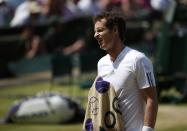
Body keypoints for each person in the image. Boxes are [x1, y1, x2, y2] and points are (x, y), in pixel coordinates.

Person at [83, 11, 158, 131]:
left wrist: (147, 130)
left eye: (100, 30)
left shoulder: (138, 60)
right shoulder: (101, 63)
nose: (96, 35)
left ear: (115, 30)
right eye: (95, 31)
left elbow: (151, 98)